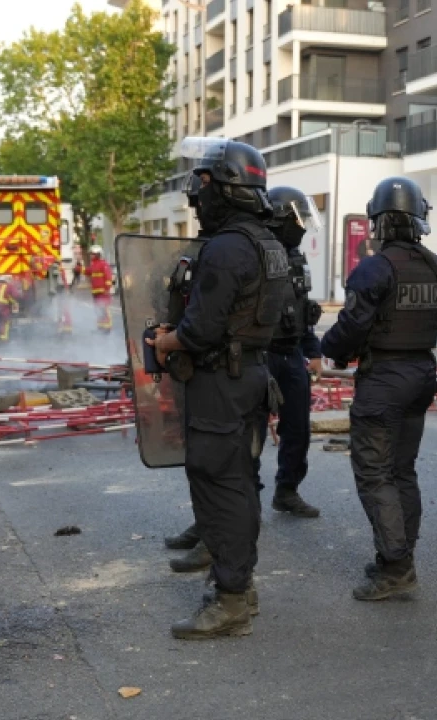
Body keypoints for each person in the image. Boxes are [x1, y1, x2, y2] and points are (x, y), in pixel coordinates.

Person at [146, 139, 289, 639]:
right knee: (239, 483)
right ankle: (239, 589)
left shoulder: (226, 247)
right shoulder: (267, 242)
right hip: (251, 376)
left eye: (202, 184)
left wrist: (166, 340)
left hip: (219, 382)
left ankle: (230, 600)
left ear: (222, 187)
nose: (196, 196)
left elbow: (201, 330)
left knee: (218, 484)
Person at [321, 176, 437, 602]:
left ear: (379, 220)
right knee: (402, 471)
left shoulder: (376, 266)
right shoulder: (436, 264)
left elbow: (353, 324)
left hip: (384, 379)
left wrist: (332, 352)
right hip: (421, 373)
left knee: (375, 473)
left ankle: (395, 566)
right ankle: (398, 556)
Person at [257, 186, 324, 519]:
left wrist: (313, 351)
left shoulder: (297, 258)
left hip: (292, 353)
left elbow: (302, 309)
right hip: (261, 355)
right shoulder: (255, 252)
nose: (301, 226)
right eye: (298, 219)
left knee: (297, 429)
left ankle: (287, 491)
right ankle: (244, 500)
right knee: (251, 431)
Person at [85, 246, 114, 334]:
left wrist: (107, 288)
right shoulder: (94, 264)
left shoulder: (103, 264)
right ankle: (101, 327)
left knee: (104, 310)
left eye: (93, 254)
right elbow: (88, 271)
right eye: (91, 254)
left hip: (102, 292)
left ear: (98, 255)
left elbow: (108, 277)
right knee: (98, 310)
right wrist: (79, 269)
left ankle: (107, 328)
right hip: (95, 292)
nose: (91, 256)